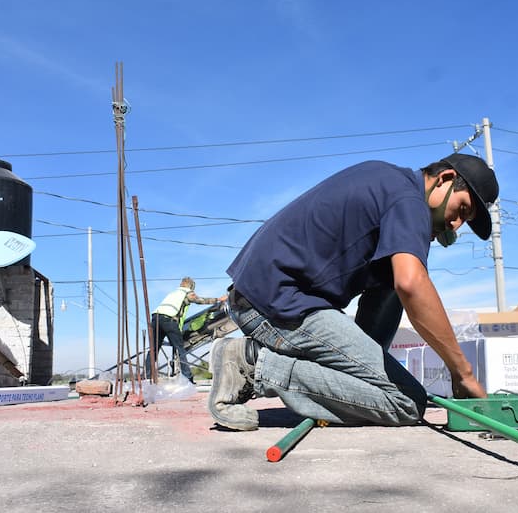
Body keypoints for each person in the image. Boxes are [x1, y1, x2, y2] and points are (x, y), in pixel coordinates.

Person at [207, 153, 499, 431]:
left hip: (269, 294)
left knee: (389, 284)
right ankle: (252, 365)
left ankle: (329, 374)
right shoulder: (409, 199)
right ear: (444, 178)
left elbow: (393, 289)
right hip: (275, 303)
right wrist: (463, 373)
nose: (455, 225)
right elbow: (412, 284)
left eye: (465, 222)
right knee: (406, 401)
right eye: (461, 210)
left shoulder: (388, 180)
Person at [148, 277, 227, 383]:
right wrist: (218, 299)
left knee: (153, 349)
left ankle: (148, 377)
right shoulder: (187, 292)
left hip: (155, 318)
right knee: (180, 349)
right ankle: (188, 378)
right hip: (169, 320)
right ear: (191, 286)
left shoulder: (173, 293)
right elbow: (200, 300)